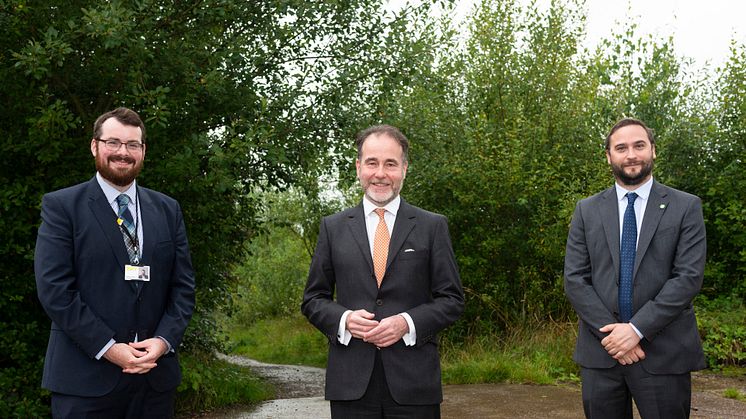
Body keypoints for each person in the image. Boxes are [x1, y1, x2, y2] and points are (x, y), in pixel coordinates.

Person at [34, 107, 196, 418]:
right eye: (113, 142)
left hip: (155, 383)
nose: (123, 153)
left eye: (132, 145)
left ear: (143, 151)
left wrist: (163, 342)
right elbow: (55, 290)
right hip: (85, 382)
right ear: (95, 146)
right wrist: (110, 349)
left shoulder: (167, 209)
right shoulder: (62, 207)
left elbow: (183, 288)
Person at [302, 124, 464, 418]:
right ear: (358, 167)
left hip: (415, 386)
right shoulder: (333, 228)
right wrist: (345, 319)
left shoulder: (432, 227)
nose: (380, 173)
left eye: (390, 164)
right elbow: (313, 299)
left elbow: (452, 299)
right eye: (372, 163)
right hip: (350, 385)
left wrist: (407, 322)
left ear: (404, 169)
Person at [564, 118, 706, 419]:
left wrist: (637, 330)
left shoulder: (686, 206)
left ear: (653, 150)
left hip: (664, 355)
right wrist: (614, 338)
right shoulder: (586, 210)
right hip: (602, 354)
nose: (631, 155)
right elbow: (575, 279)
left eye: (639, 145)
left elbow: (688, 278)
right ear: (608, 156)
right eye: (621, 148)